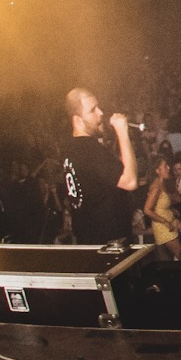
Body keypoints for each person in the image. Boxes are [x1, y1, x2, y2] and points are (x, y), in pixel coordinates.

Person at [61, 87, 139, 245]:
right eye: (92, 110)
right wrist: (122, 132)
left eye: (98, 107)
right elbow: (130, 181)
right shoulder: (89, 149)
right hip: (110, 244)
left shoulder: (70, 148)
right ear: (77, 120)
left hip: (89, 241)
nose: (101, 113)